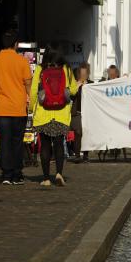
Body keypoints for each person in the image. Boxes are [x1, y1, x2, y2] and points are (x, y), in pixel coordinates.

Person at [0, 30, 32, 185]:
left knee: (4, 141)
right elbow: (28, 84)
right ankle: (17, 174)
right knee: (17, 142)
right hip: (18, 108)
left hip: (1, 108)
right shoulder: (22, 62)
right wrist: (29, 102)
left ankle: (6, 174)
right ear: (16, 44)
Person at [30, 48, 78, 186]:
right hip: (61, 114)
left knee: (45, 145)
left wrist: (31, 108)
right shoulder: (66, 69)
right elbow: (73, 89)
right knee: (58, 144)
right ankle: (59, 174)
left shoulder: (40, 69)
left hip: (43, 113)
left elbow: (34, 92)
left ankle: (45, 179)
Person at [69, 62, 93, 163]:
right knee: (78, 132)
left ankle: (86, 155)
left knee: (86, 133)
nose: (83, 76)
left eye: (85, 74)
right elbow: (71, 95)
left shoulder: (91, 84)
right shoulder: (75, 84)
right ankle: (77, 154)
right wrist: (77, 86)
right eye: (81, 74)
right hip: (77, 112)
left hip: (88, 113)